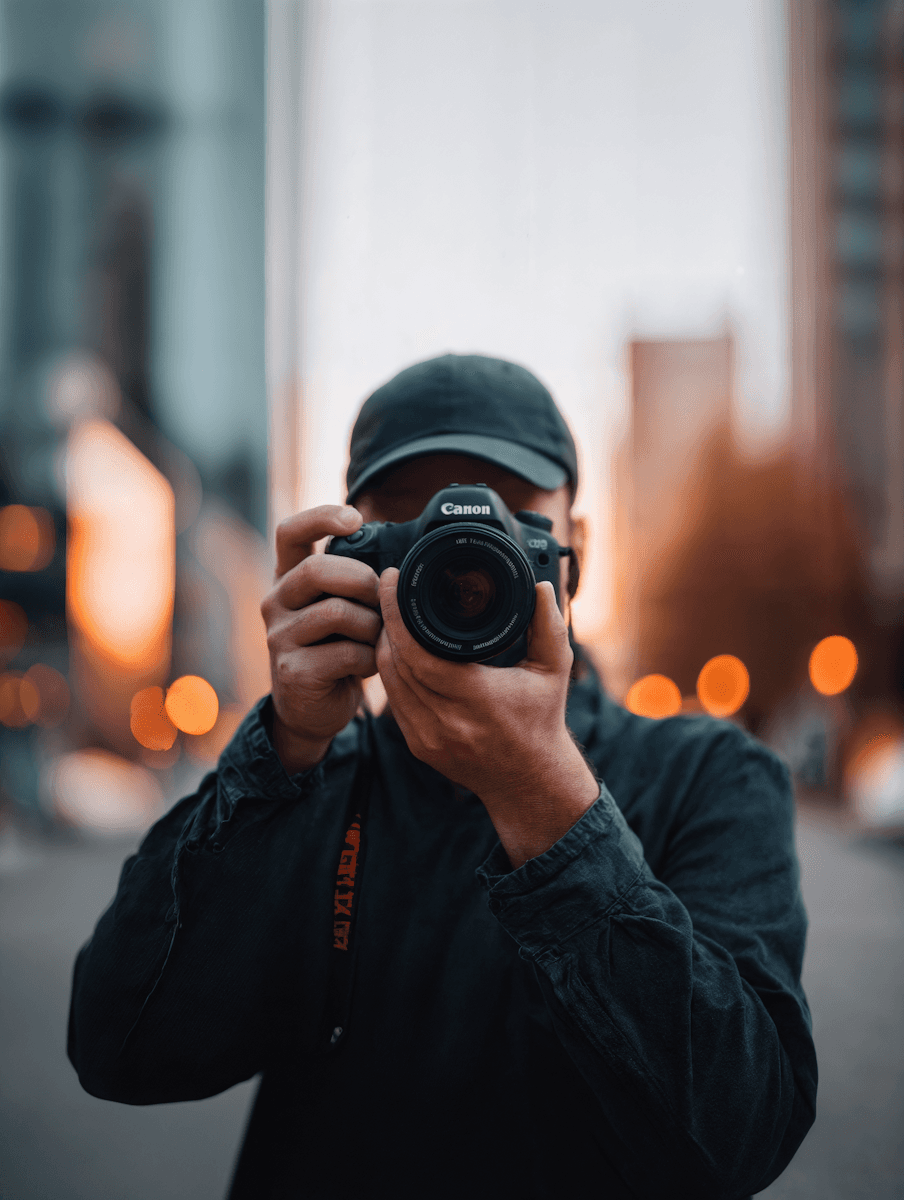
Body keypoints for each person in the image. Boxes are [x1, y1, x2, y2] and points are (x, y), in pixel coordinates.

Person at [68, 354, 817, 1200]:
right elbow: (119, 1048)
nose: (467, 560)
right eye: (410, 520)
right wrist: (279, 753)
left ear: (578, 553)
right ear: (345, 553)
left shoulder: (709, 775)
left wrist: (544, 799)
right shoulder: (306, 777)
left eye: (513, 519)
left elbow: (740, 1135)